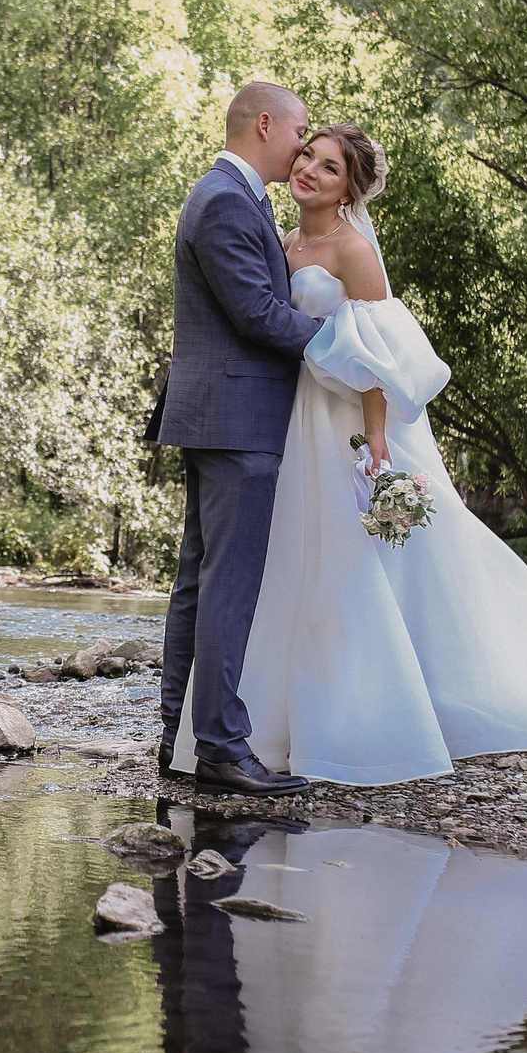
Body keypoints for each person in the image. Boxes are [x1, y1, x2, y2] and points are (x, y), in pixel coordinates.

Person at [166, 122, 527, 784]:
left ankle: (369, 717)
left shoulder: (353, 250)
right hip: (293, 422)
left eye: (329, 168)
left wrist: (376, 443)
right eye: (308, 158)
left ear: (349, 189)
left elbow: (382, 356)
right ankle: (275, 721)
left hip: (345, 422)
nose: (311, 172)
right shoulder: (284, 240)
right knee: (294, 561)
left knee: (354, 566)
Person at [147, 83, 324, 796]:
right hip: (235, 415)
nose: (304, 146)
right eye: (299, 130)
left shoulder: (238, 197)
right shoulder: (224, 199)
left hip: (222, 414)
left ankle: (179, 734)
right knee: (228, 584)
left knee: (199, 579)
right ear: (263, 124)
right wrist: (348, 339)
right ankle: (219, 743)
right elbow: (255, 313)